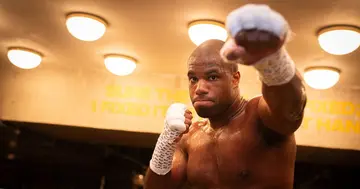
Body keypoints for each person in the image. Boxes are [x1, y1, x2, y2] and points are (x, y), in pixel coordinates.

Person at [144, 4, 307, 189]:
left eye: (212, 77)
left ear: (235, 79)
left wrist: (273, 63)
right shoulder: (189, 138)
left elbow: (290, 109)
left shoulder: (257, 117)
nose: (199, 88)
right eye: (193, 79)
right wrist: (165, 141)